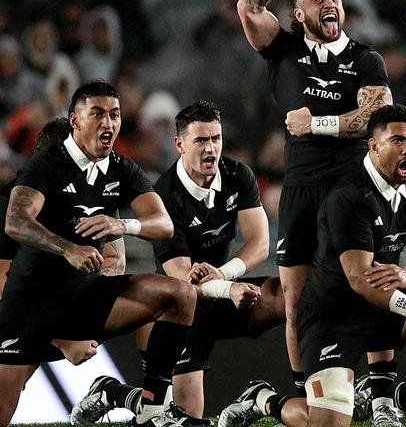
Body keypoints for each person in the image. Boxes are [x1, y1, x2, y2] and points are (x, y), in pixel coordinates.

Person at [218, 105, 406, 427]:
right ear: (372, 146)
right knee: (327, 421)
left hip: (385, 303)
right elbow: (359, 279)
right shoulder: (349, 195)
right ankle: (264, 399)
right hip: (334, 316)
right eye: (398, 141)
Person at [237, 0, 394, 404]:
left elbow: (376, 119)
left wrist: (316, 123)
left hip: (352, 190)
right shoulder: (282, 50)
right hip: (301, 190)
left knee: (371, 284)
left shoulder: (366, 59)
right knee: (296, 301)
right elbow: (247, 5)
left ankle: (381, 396)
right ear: (298, 15)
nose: (331, 3)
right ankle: (301, 397)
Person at [69, 100, 286, 425]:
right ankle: (111, 392)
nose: (211, 148)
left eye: (216, 138)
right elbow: (183, 279)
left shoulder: (237, 175)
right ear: (180, 144)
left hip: (223, 289)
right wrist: (228, 288)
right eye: (201, 140)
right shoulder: (165, 195)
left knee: (286, 294)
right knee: (182, 417)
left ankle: (289, 395)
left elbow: (259, 243)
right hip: (178, 310)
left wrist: (226, 275)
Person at [0, 80, 198, 427]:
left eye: (115, 115)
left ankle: (151, 411)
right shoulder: (30, 184)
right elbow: (8, 258)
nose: (108, 123)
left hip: (82, 300)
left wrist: (122, 227)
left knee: (178, 294)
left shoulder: (116, 172)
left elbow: (138, 243)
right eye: (98, 115)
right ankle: (117, 394)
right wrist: (63, 338)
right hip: (28, 310)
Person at [0, 117, 124, 366]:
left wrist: (84, 315)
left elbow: (116, 260)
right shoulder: (8, 205)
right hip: (21, 320)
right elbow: (4, 288)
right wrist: (61, 339)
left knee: (163, 298)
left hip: (68, 314)